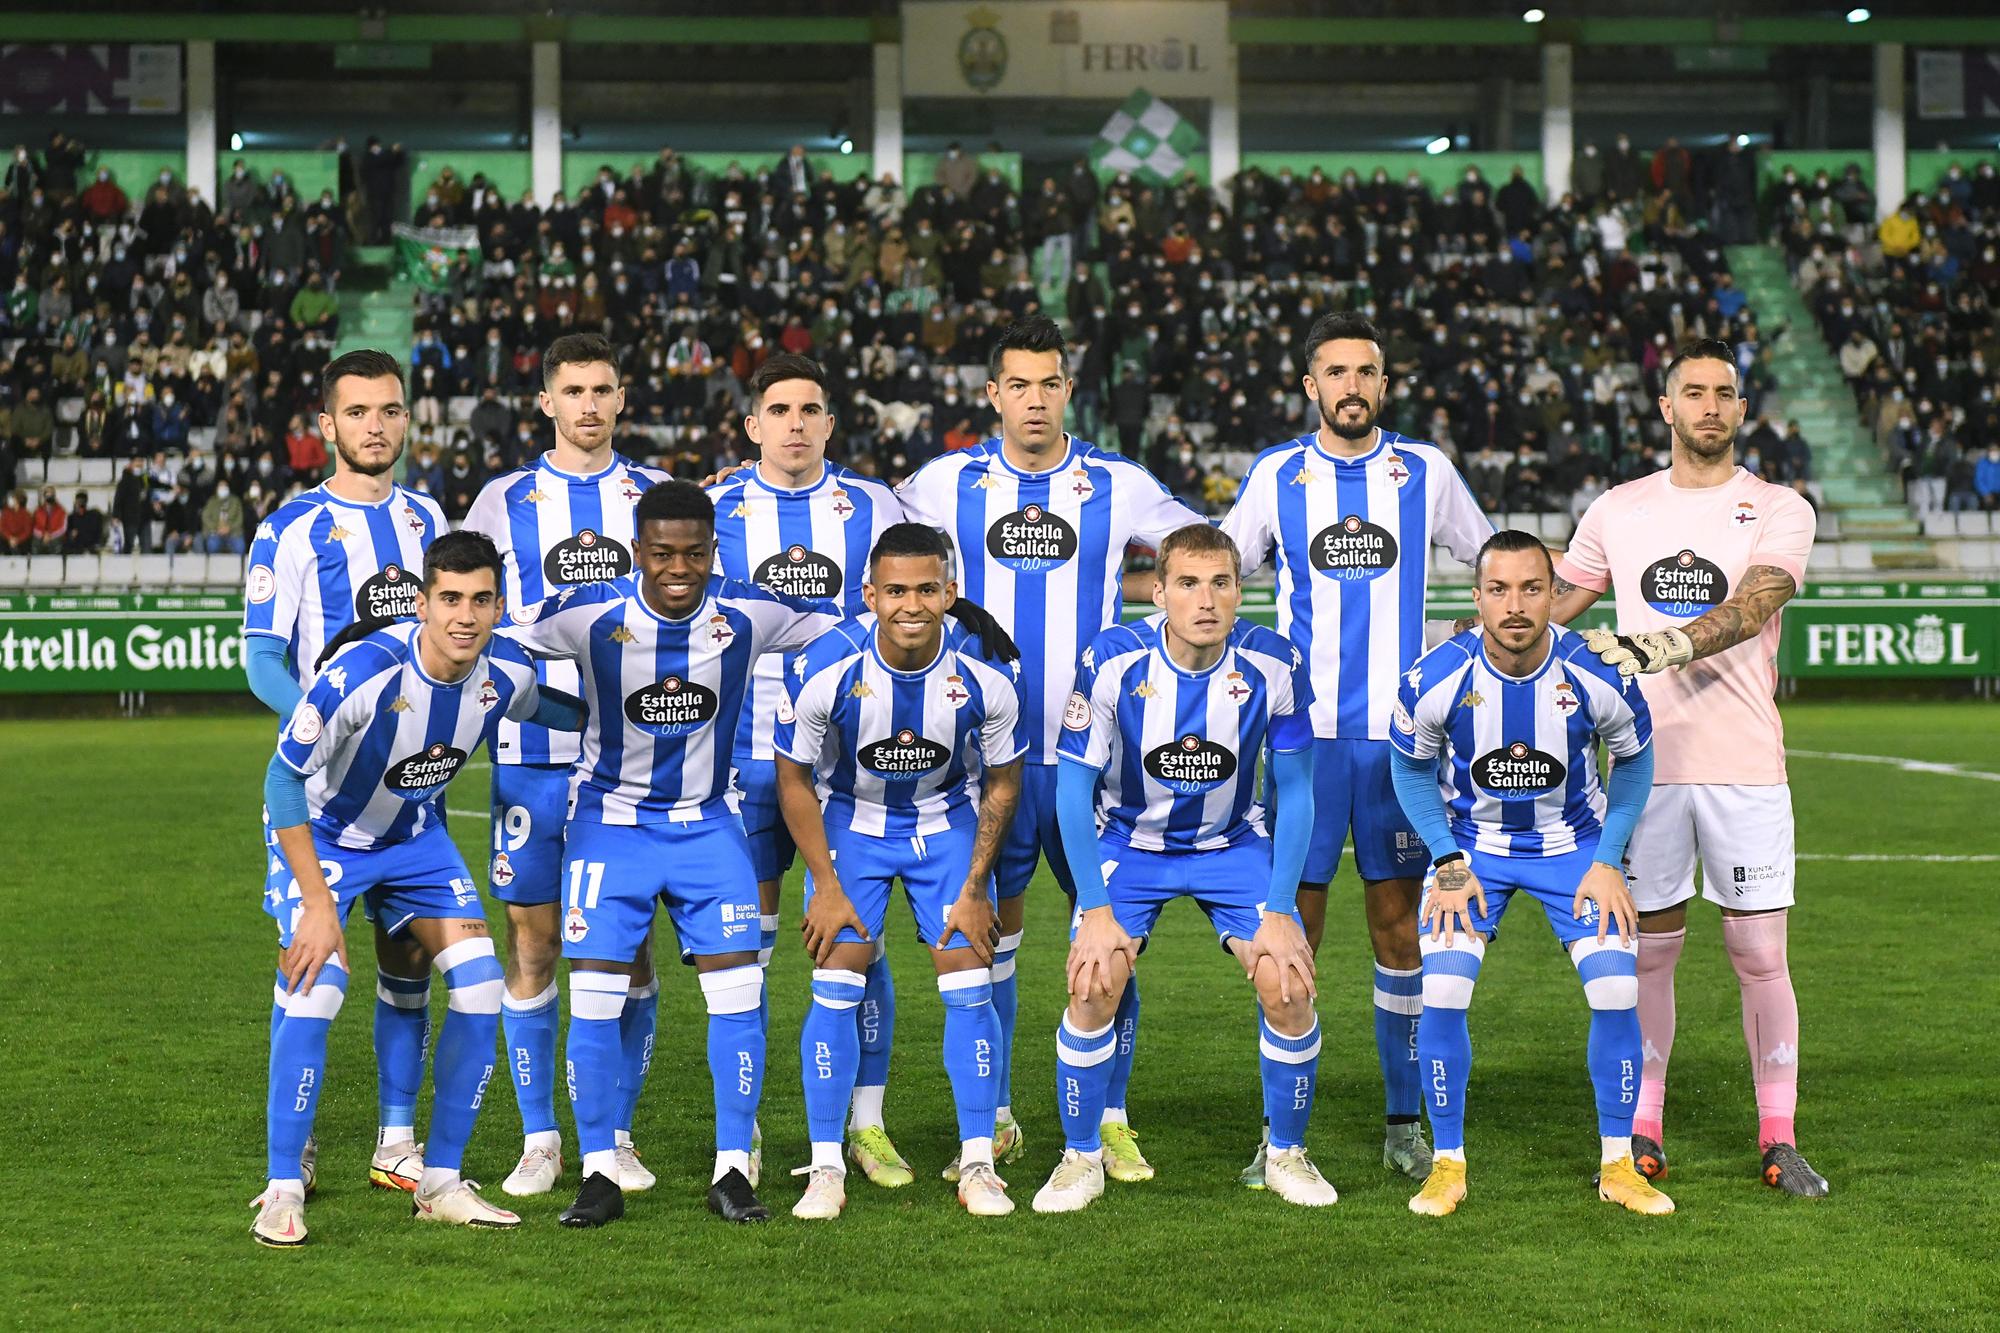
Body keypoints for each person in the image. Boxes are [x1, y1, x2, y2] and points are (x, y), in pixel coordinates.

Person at [894, 315, 1205, 1184]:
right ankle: (991, 1116)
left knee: (1112, 934)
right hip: (979, 757)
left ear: (1071, 390)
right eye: (1019, 385)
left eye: (1051, 383)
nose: (1036, 399)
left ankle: (1110, 1116)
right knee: (985, 935)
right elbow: (859, 527)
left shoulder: (1119, 483)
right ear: (992, 394)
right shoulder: (942, 481)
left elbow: (1205, 551)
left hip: (1090, 760)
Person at [506, 481, 850, 1228]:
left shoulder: (749, 610)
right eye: (662, 553)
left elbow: (848, 629)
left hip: (709, 829)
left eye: (694, 552)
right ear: (638, 552)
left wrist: (952, 628)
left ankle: (732, 1167)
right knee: (595, 1002)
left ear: (712, 550)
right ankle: (597, 1169)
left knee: (738, 996)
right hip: (609, 828)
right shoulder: (589, 610)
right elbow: (495, 635)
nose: (679, 568)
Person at [250, 531, 584, 1246]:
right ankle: (283, 1186)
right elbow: (282, 778)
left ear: (499, 604)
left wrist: (618, 710)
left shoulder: (505, 672)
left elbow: (558, 712)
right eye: (451, 599)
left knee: (481, 983)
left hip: (414, 841)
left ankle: (440, 1180)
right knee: (319, 984)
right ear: (426, 602)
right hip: (326, 833)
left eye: (482, 600)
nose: (466, 616)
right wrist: (315, 903)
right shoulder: (365, 671)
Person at [1552, 338, 1828, 1197]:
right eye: (1693, 392)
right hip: (1644, 766)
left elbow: (1755, 603)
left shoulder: (1780, 506)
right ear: (1665, 408)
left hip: (1745, 765)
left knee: (1758, 951)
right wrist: (1469, 639)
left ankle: (1778, 1137)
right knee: (1649, 955)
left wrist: (1665, 640)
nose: (1710, 406)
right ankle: (1644, 1125)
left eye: (1725, 393)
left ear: (1743, 410)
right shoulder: (1617, 509)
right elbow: (1549, 610)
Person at [1220, 312, 1491, 1187]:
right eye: (1334, 372)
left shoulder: (1426, 471)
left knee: (1397, 928)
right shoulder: (1276, 476)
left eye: (1365, 372)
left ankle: (1403, 1120)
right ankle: (1278, 1131)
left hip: (1396, 744)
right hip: (1301, 744)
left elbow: (1494, 567)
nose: (1351, 386)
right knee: (1292, 930)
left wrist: (1457, 639)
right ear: (1311, 386)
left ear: (1384, 383)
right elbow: (1220, 574)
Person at [1030, 524, 1332, 1212]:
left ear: (1238, 589)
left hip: (1233, 846)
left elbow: (1299, 788)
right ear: (1159, 591)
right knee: (1093, 981)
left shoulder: (1275, 661)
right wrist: (1096, 907)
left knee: (1288, 984)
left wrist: (1282, 907)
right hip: (1129, 846)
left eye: (1221, 582)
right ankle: (1080, 1156)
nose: (1206, 599)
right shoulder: (1111, 660)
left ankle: (1284, 1152)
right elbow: (1073, 790)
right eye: (1188, 584)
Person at [1388, 529, 1670, 1217]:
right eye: (1499, 589)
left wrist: (1607, 859)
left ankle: (1618, 1164)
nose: (1515, 605)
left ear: (1553, 593)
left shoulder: (1598, 673)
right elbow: (1410, 766)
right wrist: (1445, 857)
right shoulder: (1435, 676)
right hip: (1469, 847)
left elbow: (1635, 761)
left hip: (1573, 846)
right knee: (1445, 985)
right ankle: (1447, 1163)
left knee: (1615, 987)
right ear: (1476, 596)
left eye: (1531, 588)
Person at [461, 333, 669, 1199]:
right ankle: (542, 1137)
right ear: (545, 401)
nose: (589, 404)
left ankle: (612, 1133)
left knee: (627, 952)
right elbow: (468, 614)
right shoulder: (501, 501)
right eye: (572, 390)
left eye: (603, 389)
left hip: (635, 763)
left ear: (623, 400)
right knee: (534, 942)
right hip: (534, 757)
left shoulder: (659, 498)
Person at [240, 349, 448, 1198]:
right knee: (312, 970)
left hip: (412, 802)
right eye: (357, 412)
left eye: (390, 410)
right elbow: (260, 656)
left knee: (409, 966)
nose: (376, 426)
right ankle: (295, 1152)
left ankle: (396, 1140)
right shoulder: (290, 529)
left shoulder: (431, 519)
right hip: (321, 801)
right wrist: (318, 729)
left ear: (406, 419)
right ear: (326, 426)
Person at [777, 523, 1025, 1219]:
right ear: (869, 594)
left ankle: (979, 1161)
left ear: (949, 591)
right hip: (853, 827)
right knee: (835, 981)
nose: (910, 604)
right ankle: (827, 1166)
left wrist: (977, 887)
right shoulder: (825, 662)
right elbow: (792, 778)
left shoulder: (988, 672)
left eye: (925, 588)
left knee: (971, 984)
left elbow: (1004, 782)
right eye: (895, 590)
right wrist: (825, 884)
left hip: (946, 826)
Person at [706, 354, 909, 1187]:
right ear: (752, 425)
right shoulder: (714, 506)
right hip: (739, 761)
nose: (795, 422)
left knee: (859, 944)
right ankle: (742, 1134)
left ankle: (867, 1125)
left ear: (831, 424)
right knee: (743, 954)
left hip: (846, 768)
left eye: (811, 409)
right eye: (779, 409)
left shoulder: (875, 505)